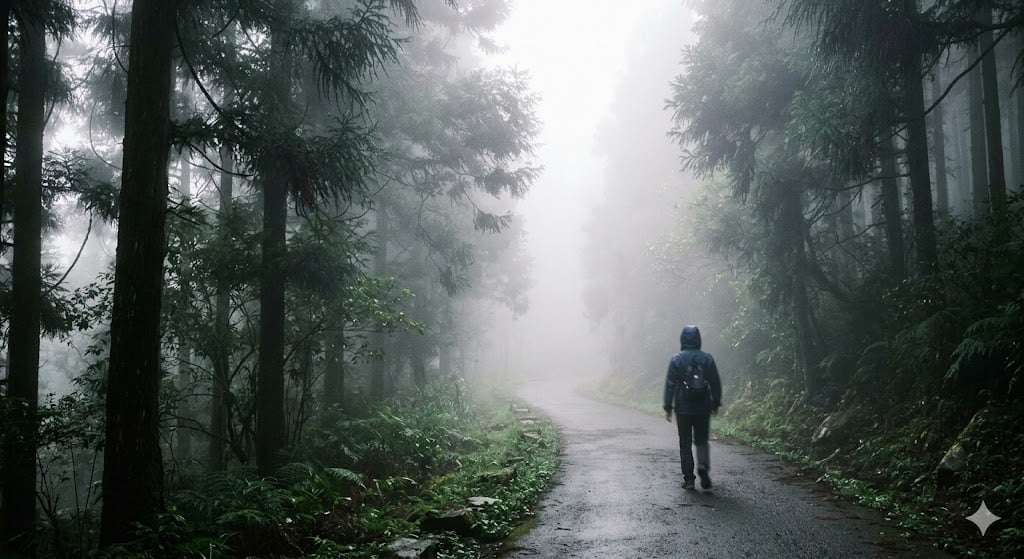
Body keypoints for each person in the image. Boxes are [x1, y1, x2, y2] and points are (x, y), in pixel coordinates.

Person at [663, 325, 722, 490]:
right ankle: (703, 467)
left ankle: (689, 479)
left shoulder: (677, 359)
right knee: (702, 440)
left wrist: (668, 407)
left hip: (683, 408)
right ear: (698, 339)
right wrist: (715, 403)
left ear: (683, 339)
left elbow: (670, 385)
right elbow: (715, 383)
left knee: (685, 442)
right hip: (703, 407)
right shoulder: (707, 358)